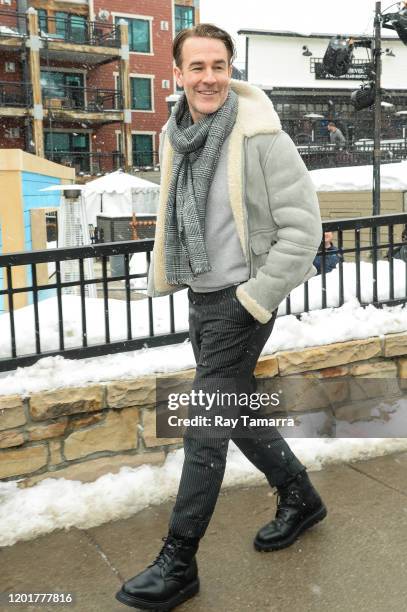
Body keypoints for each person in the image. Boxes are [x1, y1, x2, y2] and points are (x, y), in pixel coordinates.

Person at [116, 24, 326, 611]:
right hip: (201, 297)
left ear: (230, 68)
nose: (209, 78)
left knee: (203, 425)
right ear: (176, 74)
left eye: (219, 65)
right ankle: (300, 496)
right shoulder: (177, 134)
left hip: (241, 301)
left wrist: (253, 299)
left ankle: (178, 561)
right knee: (232, 410)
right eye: (196, 67)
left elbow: (303, 231)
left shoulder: (261, 137)